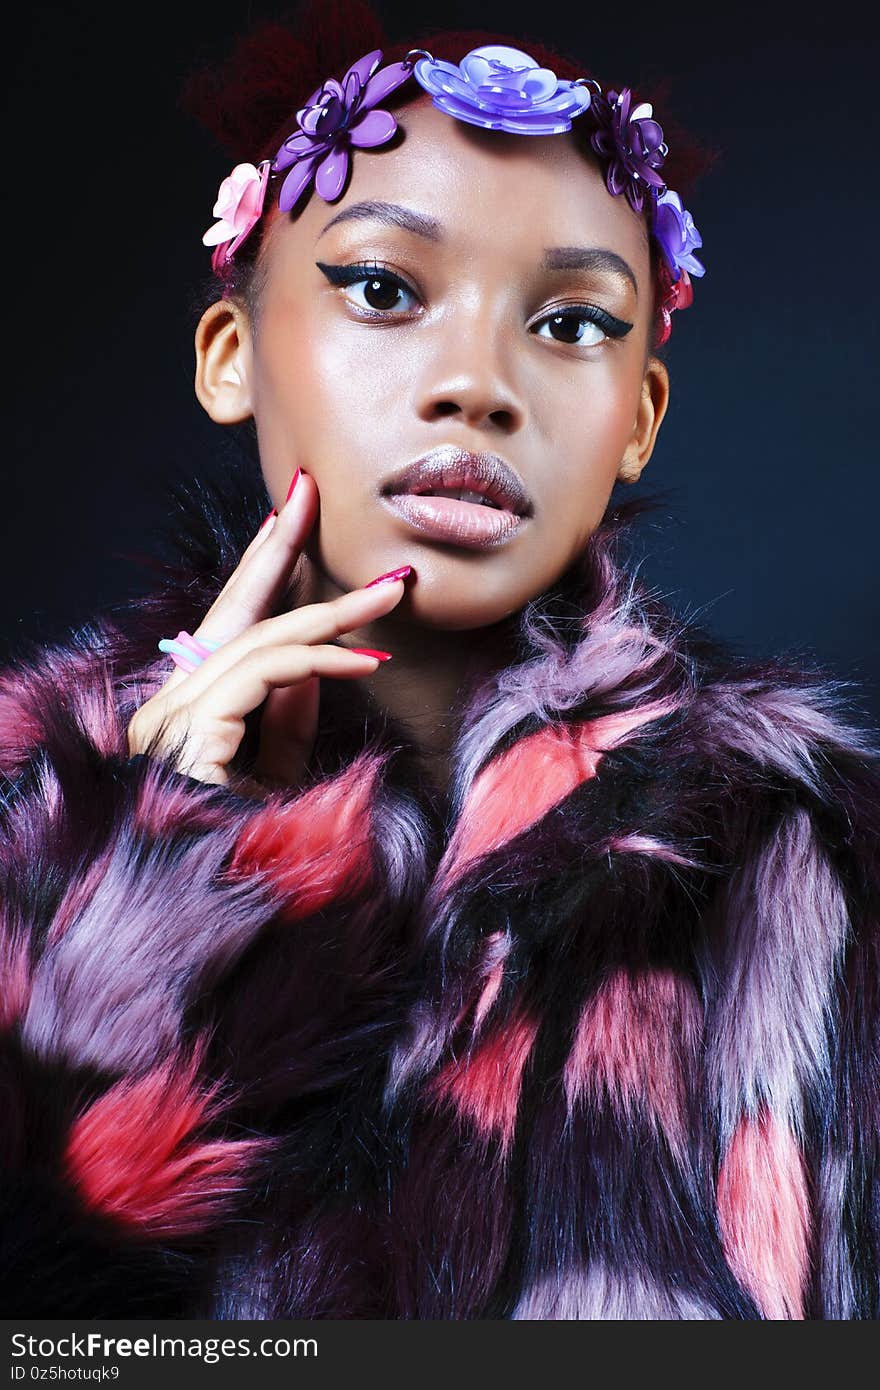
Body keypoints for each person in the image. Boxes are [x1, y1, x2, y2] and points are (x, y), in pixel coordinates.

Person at [1, 0, 878, 1320]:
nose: (477, 382)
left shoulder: (812, 857)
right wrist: (159, 881)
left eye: (575, 321)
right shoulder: (28, 810)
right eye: (383, 288)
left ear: (639, 418)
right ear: (232, 358)